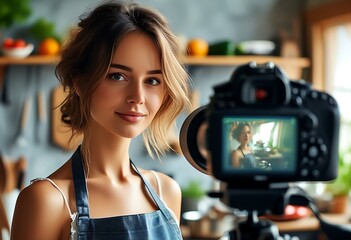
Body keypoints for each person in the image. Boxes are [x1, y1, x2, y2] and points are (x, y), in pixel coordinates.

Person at [10, 1, 191, 239]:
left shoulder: (167, 191)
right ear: (80, 82)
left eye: (153, 80)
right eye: (117, 76)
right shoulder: (46, 200)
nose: (137, 97)